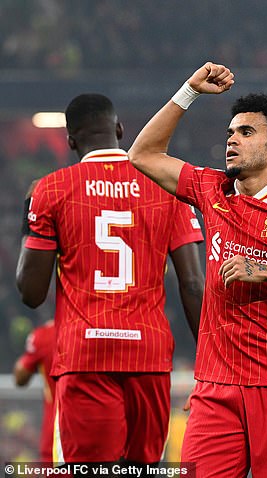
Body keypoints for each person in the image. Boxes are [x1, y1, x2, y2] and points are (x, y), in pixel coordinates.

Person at [128, 62, 267, 478]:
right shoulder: (210, 188)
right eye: (231, 132)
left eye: (246, 132)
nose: (232, 139)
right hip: (215, 387)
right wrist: (188, 92)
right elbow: (142, 155)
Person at [16, 93, 205, 469]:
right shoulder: (166, 188)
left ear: (71, 141)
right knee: (143, 469)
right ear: (119, 130)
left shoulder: (52, 189)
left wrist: (30, 218)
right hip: (149, 355)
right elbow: (193, 284)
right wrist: (211, 363)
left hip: (86, 356)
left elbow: (31, 293)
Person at [13, 320, 56, 463]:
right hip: (97, 427)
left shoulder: (44, 335)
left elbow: (20, 378)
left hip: (56, 432)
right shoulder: (98, 329)